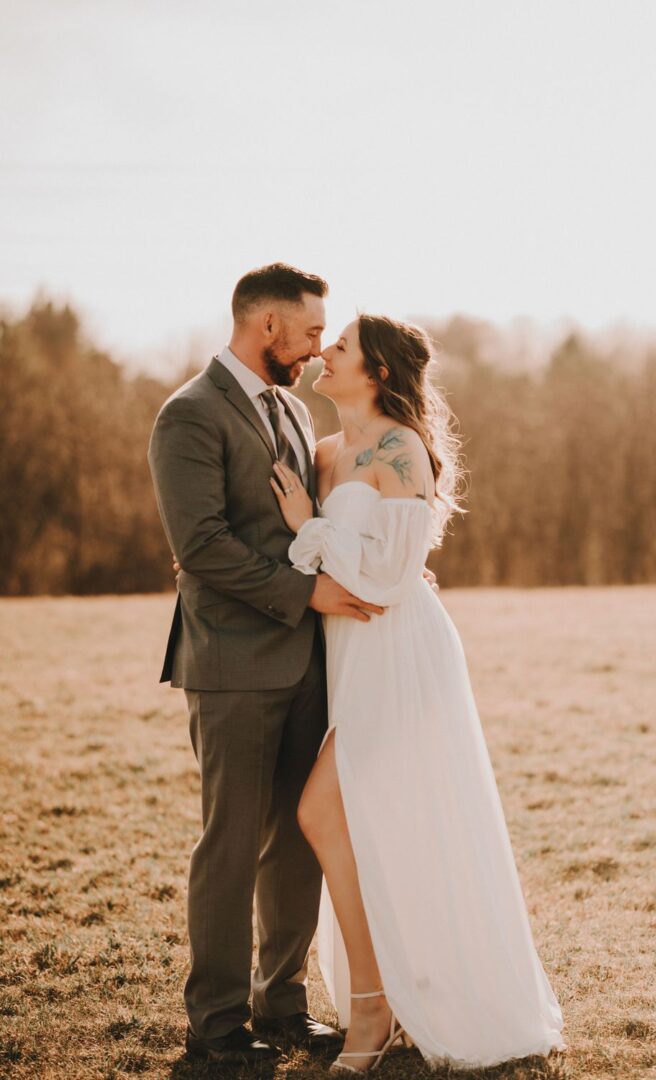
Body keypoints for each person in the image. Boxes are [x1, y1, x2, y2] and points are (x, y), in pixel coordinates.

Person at [270, 313, 567, 1072]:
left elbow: (394, 580)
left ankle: (372, 1013)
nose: (322, 354)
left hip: (402, 653)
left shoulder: (400, 449)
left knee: (323, 812)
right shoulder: (324, 450)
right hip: (350, 655)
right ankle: (385, 1000)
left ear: (375, 373)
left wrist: (311, 528)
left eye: (338, 348)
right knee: (365, 823)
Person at [147, 264, 387, 1066]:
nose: (320, 349)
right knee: (233, 839)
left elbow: (320, 519)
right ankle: (216, 1026)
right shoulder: (188, 416)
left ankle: (280, 1005)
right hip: (232, 664)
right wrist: (306, 594)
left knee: (294, 838)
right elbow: (202, 548)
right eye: (313, 332)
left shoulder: (287, 405)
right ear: (269, 328)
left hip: (304, 663)